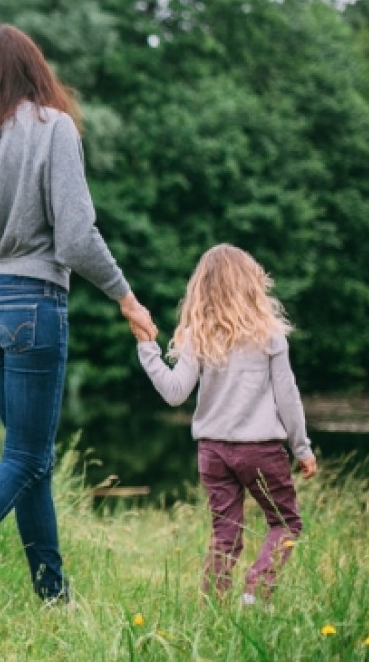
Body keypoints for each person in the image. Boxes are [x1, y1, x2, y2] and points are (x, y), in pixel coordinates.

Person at [0, 24, 155, 601]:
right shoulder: (53, 127)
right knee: (24, 456)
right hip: (33, 303)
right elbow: (75, 236)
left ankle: (52, 596)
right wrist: (127, 297)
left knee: (32, 455)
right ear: (35, 69)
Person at [135, 244, 316, 603]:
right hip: (261, 450)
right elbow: (287, 396)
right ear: (251, 283)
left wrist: (148, 349)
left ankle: (213, 609)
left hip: (213, 452)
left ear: (201, 289)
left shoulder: (196, 337)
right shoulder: (269, 335)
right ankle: (255, 592)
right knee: (285, 523)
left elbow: (174, 393)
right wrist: (302, 449)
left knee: (225, 535)